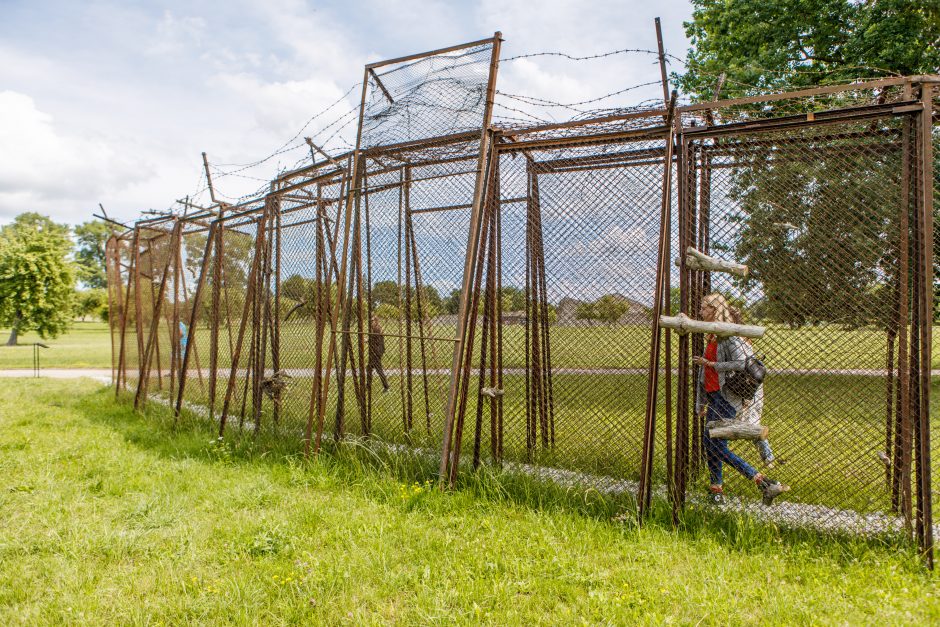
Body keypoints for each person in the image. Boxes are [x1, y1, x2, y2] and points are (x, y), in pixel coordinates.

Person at [692, 293, 787, 506]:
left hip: (726, 399)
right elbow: (702, 375)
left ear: (715, 309)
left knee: (715, 445)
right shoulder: (711, 336)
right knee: (711, 445)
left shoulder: (729, 336)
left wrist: (713, 365)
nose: (700, 312)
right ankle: (717, 490)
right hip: (713, 398)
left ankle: (763, 482)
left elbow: (742, 363)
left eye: (704, 308)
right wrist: (700, 401)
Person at [729, 306, 775, 469]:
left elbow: (743, 366)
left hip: (747, 387)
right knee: (745, 423)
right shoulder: (740, 337)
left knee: (751, 425)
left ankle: (768, 458)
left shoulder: (739, 339)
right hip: (745, 386)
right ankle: (768, 459)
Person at [367, 314, 390, 393]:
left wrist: (369, 340)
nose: (371, 322)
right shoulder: (375, 329)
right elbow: (374, 339)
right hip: (375, 352)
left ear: (376, 321)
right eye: (370, 321)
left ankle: (386, 386)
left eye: (372, 321)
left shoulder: (377, 329)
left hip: (376, 352)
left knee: (378, 370)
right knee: (369, 368)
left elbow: (375, 340)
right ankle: (368, 386)